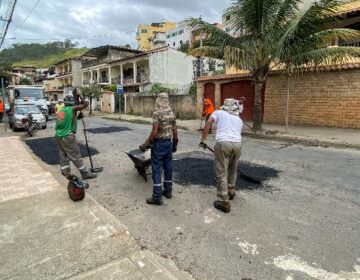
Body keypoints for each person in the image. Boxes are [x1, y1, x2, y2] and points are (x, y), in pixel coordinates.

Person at [199, 98, 244, 213]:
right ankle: (231, 191)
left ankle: (224, 201)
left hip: (223, 144)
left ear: (224, 105)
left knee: (221, 171)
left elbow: (209, 122)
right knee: (233, 169)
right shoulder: (238, 119)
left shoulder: (218, 112)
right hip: (238, 145)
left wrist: (204, 139)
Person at [140, 92, 178, 205]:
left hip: (159, 144)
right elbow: (175, 132)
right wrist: (174, 145)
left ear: (158, 100)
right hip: (168, 143)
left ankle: (157, 197)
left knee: (156, 168)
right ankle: (168, 191)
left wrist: (146, 143)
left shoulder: (157, 113)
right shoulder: (172, 113)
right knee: (168, 167)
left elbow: (154, 132)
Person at [55, 94, 97, 180]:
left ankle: (65, 173)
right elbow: (85, 105)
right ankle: (85, 174)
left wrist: (77, 117)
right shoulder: (72, 109)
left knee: (64, 155)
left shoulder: (61, 111)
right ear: (72, 103)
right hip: (67, 136)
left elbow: (66, 121)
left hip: (58, 136)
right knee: (76, 155)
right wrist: (80, 95)